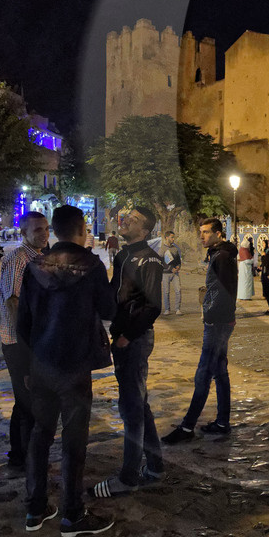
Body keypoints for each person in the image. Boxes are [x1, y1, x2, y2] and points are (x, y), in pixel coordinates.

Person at [15, 204, 115, 534]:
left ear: (55, 231)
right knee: (74, 438)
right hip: (74, 363)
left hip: (42, 361)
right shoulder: (91, 264)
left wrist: (29, 362)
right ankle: (72, 513)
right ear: (82, 229)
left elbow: (23, 321)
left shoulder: (35, 267)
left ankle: (36, 507)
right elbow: (108, 308)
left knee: (40, 434)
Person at [92, 204, 165, 501]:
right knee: (138, 404)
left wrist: (126, 336)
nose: (125, 221)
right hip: (121, 336)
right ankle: (156, 464)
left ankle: (129, 476)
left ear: (145, 230)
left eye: (133, 220)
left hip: (133, 341)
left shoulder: (150, 260)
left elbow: (153, 306)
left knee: (132, 409)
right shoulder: (123, 256)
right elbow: (114, 295)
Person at [163, 217, 238, 445]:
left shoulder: (222, 257)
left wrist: (209, 313)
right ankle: (222, 422)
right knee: (220, 373)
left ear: (218, 233)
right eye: (201, 232)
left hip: (217, 323)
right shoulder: (219, 254)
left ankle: (187, 427)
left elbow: (223, 291)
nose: (202, 236)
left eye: (206, 232)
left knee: (203, 374)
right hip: (222, 321)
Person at [0, 212, 49, 472]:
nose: (44, 233)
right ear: (24, 233)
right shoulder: (19, 259)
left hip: (32, 340)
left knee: (26, 399)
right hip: (19, 342)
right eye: (37, 229)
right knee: (28, 400)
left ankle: (20, 454)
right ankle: (24, 458)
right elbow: (12, 301)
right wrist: (26, 339)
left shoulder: (39, 257)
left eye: (46, 228)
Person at [159, 231, 184, 316]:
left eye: (173, 237)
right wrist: (170, 268)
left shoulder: (175, 249)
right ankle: (167, 309)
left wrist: (178, 266)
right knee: (166, 292)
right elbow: (161, 262)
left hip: (175, 274)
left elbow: (178, 260)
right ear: (167, 238)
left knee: (178, 290)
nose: (173, 239)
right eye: (172, 237)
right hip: (165, 273)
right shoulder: (162, 249)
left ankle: (177, 309)